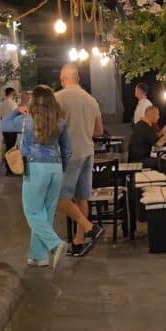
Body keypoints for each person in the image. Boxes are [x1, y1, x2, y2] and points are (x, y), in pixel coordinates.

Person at [0, 85, 71, 268]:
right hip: (56, 168)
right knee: (45, 212)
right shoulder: (60, 120)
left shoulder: (26, 121)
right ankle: (38, 256)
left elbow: (3, 124)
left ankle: (55, 244)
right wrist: (62, 168)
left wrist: (17, 110)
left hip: (35, 167)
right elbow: (67, 150)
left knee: (32, 211)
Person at [54, 64, 103, 255]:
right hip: (88, 151)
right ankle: (79, 240)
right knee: (82, 197)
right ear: (79, 79)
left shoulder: (58, 98)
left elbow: (53, 128)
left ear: (62, 79)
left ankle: (90, 227)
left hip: (68, 153)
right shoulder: (91, 100)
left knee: (57, 197)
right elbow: (99, 130)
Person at [0, 87, 20, 161]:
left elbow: (1, 116)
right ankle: (10, 167)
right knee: (11, 148)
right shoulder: (13, 104)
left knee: (7, 146)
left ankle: (8, 166)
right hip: (12, 129)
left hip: (5, 128)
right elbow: (16, 116)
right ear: (12, 94)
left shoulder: (2, 104)